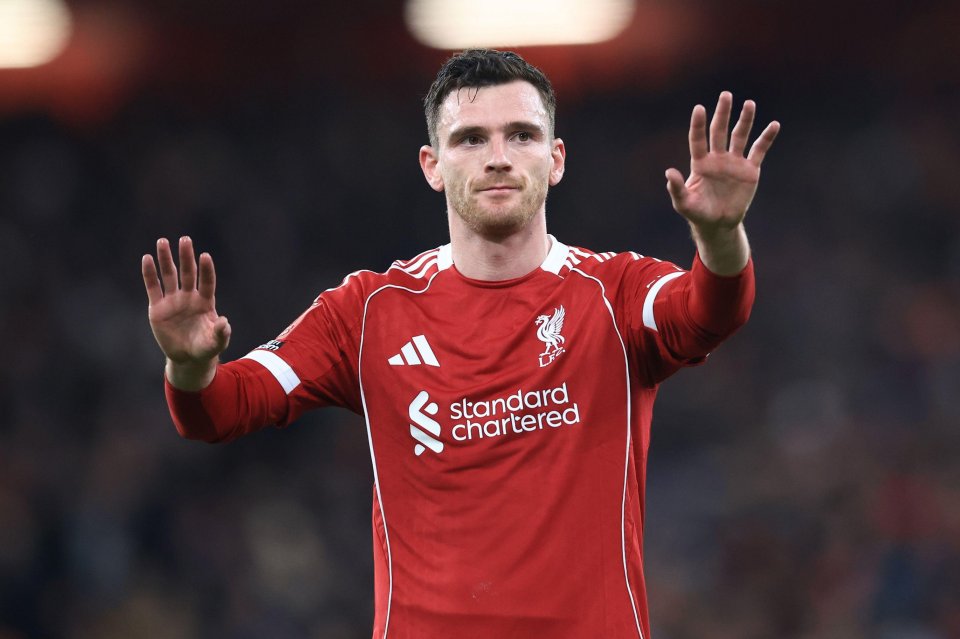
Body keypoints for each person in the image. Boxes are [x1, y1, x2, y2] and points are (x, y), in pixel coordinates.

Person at [141, 49, 779, 639]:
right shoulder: (366, 312)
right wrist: (188, 364)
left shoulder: (614, 292)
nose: (497, 157)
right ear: (432, 166)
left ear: (555, 159)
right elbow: (220, 411)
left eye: (521, 135)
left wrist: (721, 238)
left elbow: (709, 312)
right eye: (471, 139)